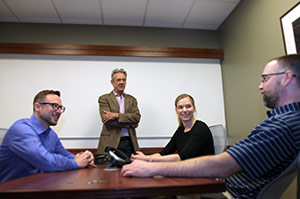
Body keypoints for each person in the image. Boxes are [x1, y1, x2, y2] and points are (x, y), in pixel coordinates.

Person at [121, 54, 300, 199]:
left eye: (265, 78)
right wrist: (148, 159)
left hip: (228, 192)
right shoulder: (284, 122)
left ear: (286, 78)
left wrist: (152, 167)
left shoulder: (283, 126)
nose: (260, 86)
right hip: (223, 184)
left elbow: (222, 165)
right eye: (180, 107)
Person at [0, 90, 96, 182]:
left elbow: (66, 155)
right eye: (54, 106)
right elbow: (45, 161)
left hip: (37, 186)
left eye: (60, 108)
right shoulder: (21, 129)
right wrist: (76, 163)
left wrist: (85, 158)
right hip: (10, 191)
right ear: (37, 107)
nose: (59, 111)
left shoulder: (51, 134)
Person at [131, 94, 214, 162]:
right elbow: (163, 153)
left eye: (188, 106)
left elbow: (181, 157)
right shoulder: (180, 130)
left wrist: (147, 159)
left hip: (203, 173)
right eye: (180, 107)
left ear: (194, 108)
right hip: (188, 170)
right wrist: (143, 159)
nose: (184, 110)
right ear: (176, 111)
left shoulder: (200, 128)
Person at [96, 68, 141, 158]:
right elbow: (108, 121)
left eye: (124, 80)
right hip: (110, 142)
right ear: (112, 82)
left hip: (130, 142)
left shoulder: (132, 99)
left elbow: (137, 117)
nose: (121, 82)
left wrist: (116, 115)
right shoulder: (104, 99)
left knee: (130, 170)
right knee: (110, 171)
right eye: (118, 80)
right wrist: (130, 124)